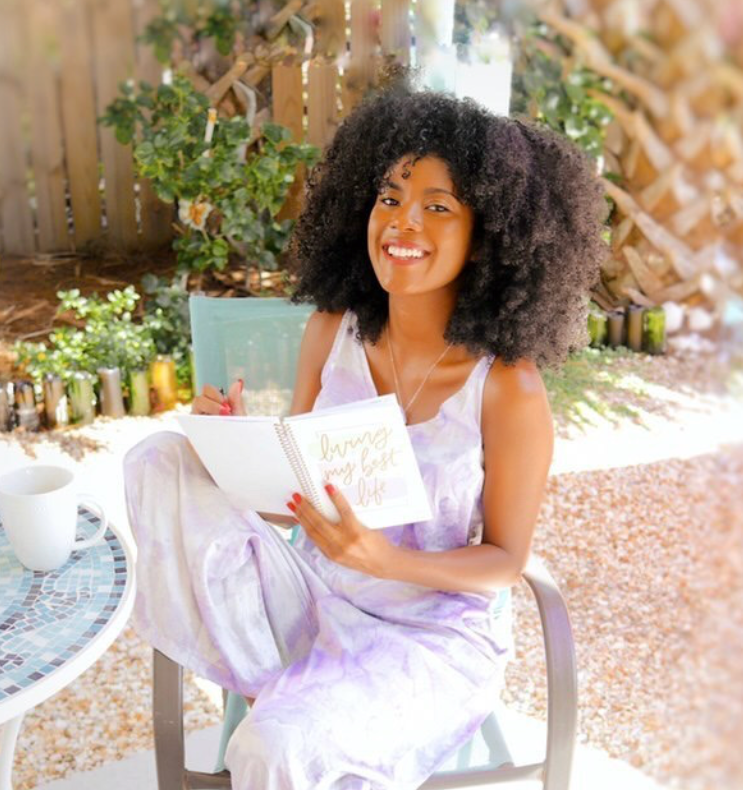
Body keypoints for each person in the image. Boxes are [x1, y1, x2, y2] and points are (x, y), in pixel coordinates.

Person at [124, 83, 607, 789]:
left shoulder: (506, 388)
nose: (402, 222)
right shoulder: (333, 330)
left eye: (437, 206)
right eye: (389, 197)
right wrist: (227, 447)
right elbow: (287, 499)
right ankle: (299, 694)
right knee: (163, 458)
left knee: (274, 752)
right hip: (311, 598)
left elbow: (505, 561)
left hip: (427, 639)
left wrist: (382, 560)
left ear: (489, 238)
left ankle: (302, 712)